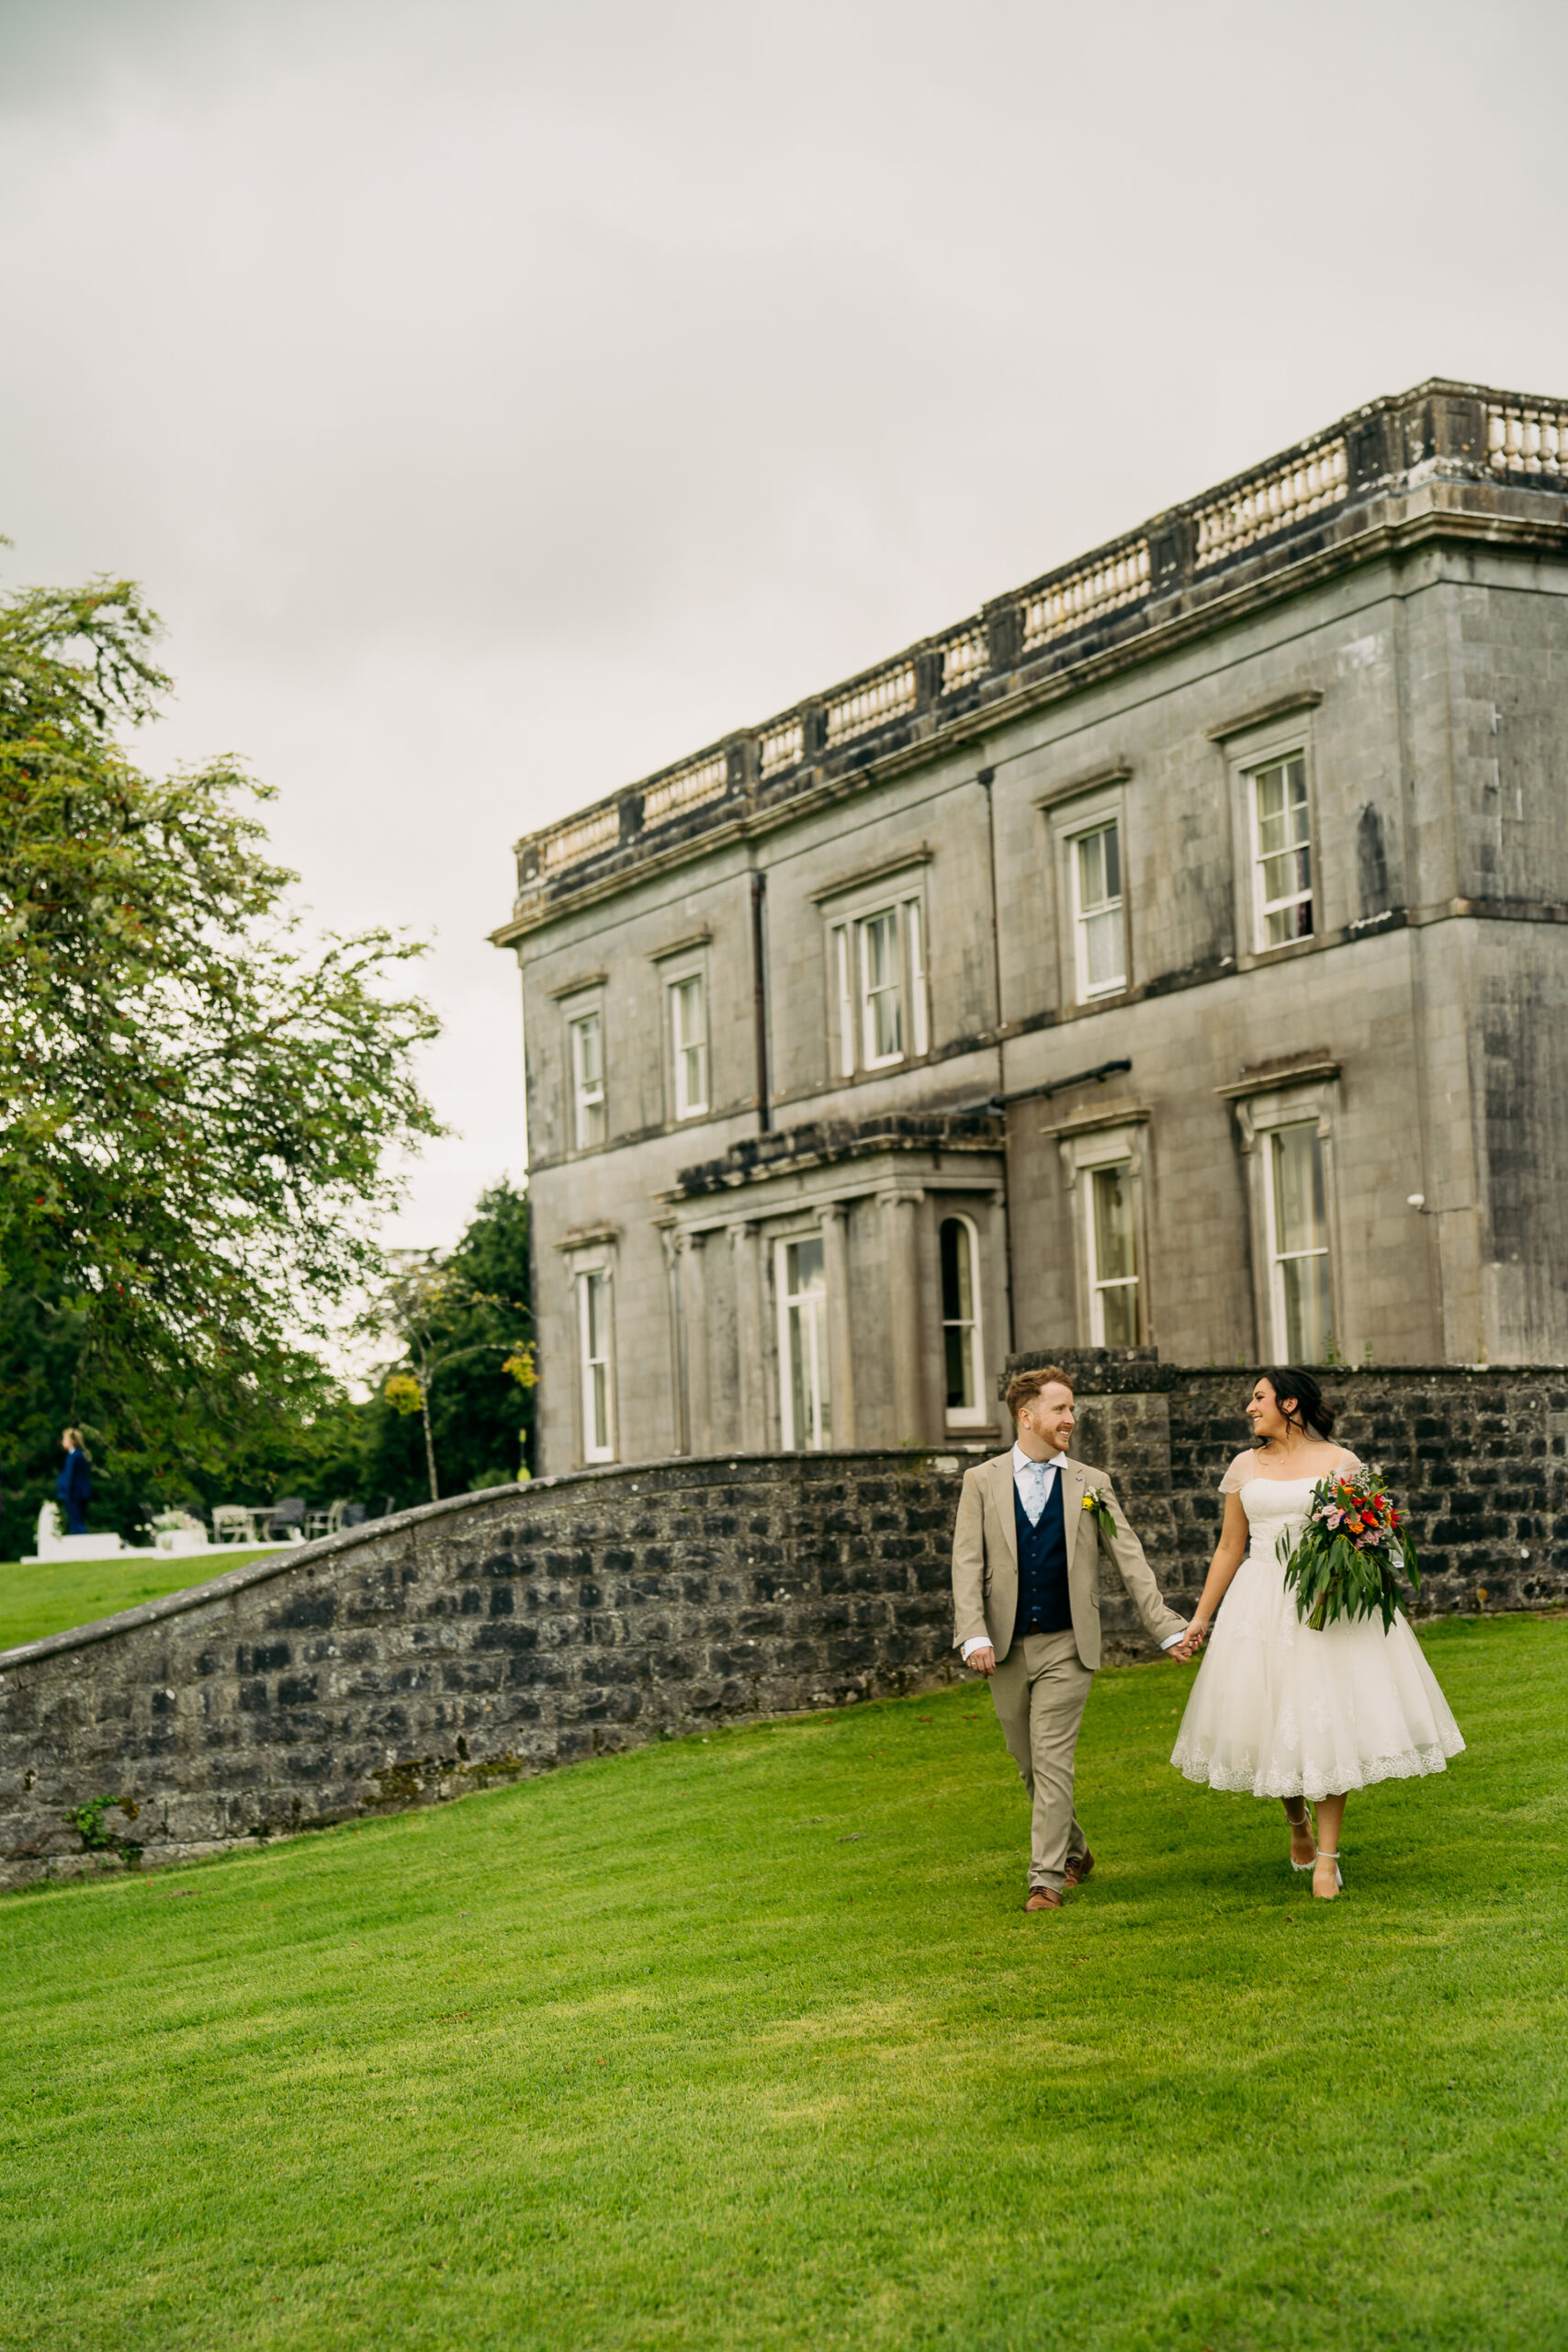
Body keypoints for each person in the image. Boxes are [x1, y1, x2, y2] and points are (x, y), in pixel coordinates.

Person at [1169, 1369, 1463, 1900]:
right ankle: (1296, 1821)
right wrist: (1199, 1618)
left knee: (1326, 1724)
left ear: (1289, 1403)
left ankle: (1327, 1858)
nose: (1248, 1408)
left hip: (1325, 1602)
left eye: (1258, 1398)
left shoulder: (1340, 1461)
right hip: (1258, 1603)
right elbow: (1228, 1548)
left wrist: (1342, 1578)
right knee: (1267, 1720)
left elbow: (1366, 1537)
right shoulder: (1244, 1466)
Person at [952, 1365, 1190, 1911]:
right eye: (1060, 1409)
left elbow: (1130, 1561)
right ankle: (1076, 1849)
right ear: (1026, 1415)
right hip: (1005, 1649)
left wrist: (1165, 1627)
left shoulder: (1091, 1484)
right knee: (1028, 1764)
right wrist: (973, 1635)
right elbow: (966, 1565)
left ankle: (1046, 1880)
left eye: (1072, 1409)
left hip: (1067, 1645)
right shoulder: (982, 1481)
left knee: (1053, 1760)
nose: (1071, 1419)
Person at [57, 1428, 93, 1535]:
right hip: (81, 1493)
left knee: (76, 1522)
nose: (63, 1442)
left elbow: (70, 1476)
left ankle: (81, 1543)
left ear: (72, 1441)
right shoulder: (82, 1455)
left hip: (74, 1494)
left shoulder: (73, 1456)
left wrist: (65, 1493)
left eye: (65, 1439)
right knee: (78, 1520)